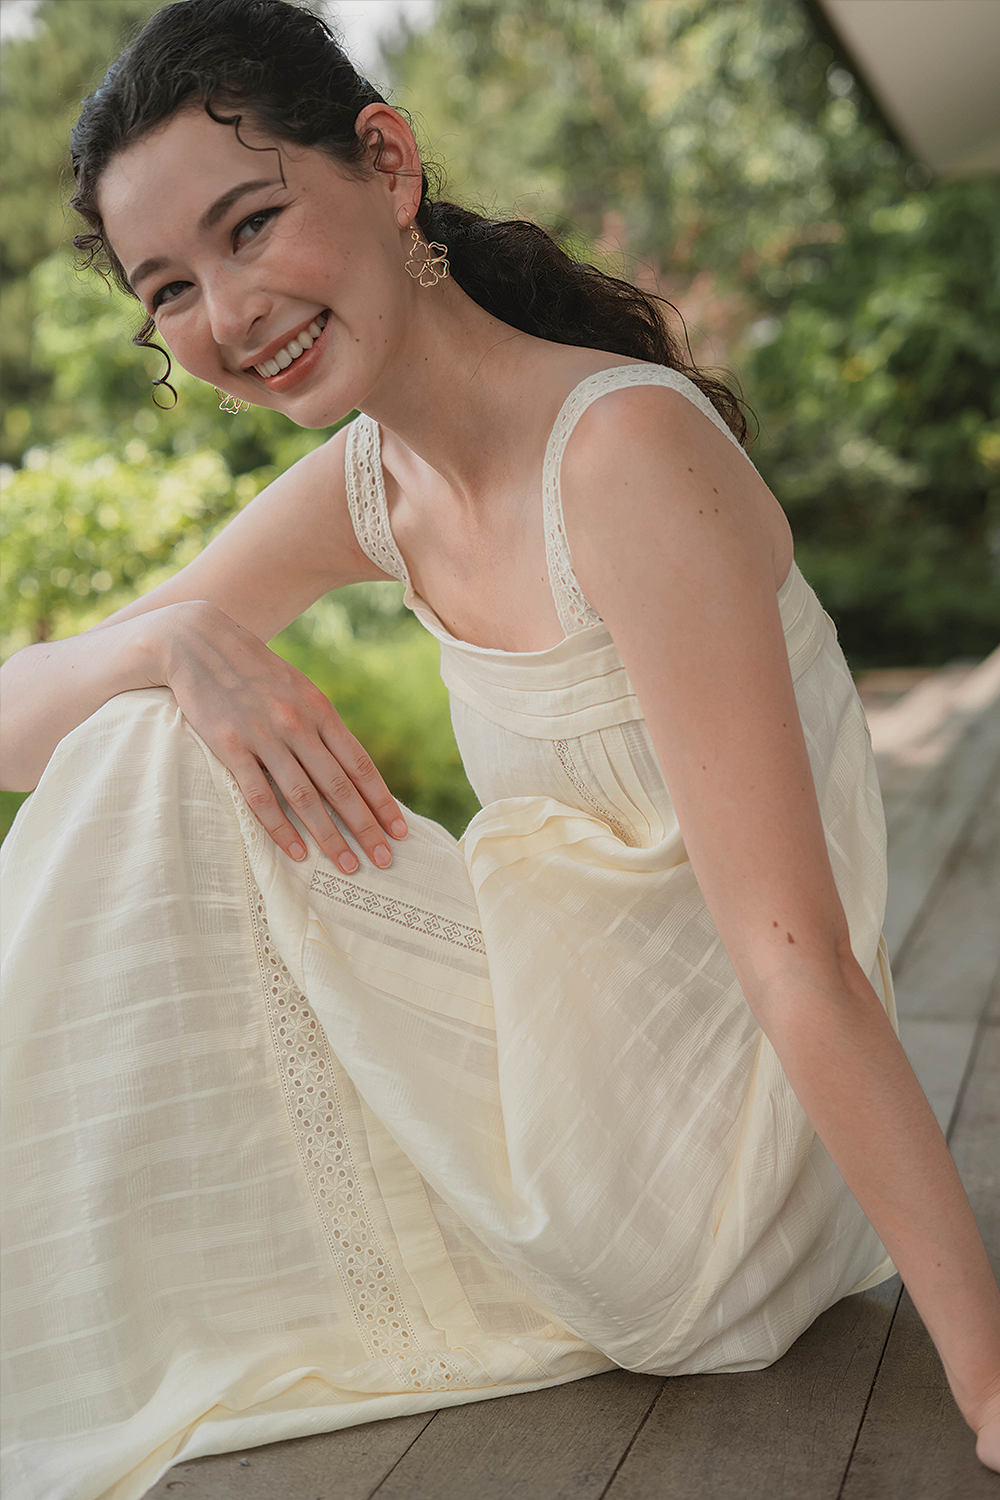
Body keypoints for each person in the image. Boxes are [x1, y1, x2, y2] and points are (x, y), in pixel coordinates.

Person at [1, 0, 997, 1495]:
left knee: (152, 754)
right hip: (563, 1088)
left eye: (252, 224)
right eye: (171, 291)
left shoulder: (622, 453)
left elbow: (798, 963)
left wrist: (987, 1377)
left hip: (699, 1194)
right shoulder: (375, 484)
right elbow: (20, 729)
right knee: (141, 723)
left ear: (388, 164)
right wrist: (172, 640)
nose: (230, 312)